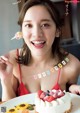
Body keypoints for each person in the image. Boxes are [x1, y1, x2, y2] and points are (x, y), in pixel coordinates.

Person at [0, 0, 80, 101]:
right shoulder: (11, 61)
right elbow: (5, 109)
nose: (37, 34)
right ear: (22, 32)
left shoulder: (72, 65)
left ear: (58, 31)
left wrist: (73, 91)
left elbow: (70, 104)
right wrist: (5, 82)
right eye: (29, 25)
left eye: (45, 25)